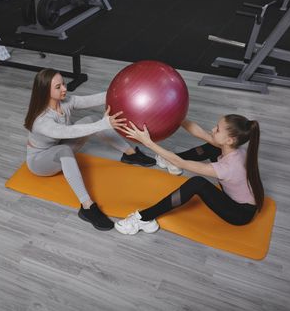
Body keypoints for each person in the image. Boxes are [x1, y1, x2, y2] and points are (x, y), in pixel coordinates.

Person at [24, 69, 156, 231]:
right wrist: (104, 124)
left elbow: (93, 99)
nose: (64, 88)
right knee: (66, 149)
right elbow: (68, 132)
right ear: (46, 91)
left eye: (63, 84)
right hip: (40, 162)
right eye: (58, 87)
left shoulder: (65, 102)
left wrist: (122, 91)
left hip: (58, 147)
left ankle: (131, 154)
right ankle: (87, 207)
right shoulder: (42, 120)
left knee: (91, 119)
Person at [114, 115, 264, 235]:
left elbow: (182, 164)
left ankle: (144, 218)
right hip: (240, 197)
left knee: (197, 183)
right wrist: (176, 115)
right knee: (212, 148)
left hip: (239, 213)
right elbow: (198, 132)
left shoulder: (228, 167)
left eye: (217, 130)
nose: (213, 129)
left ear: (229, 140)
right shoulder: (234, 149)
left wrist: (148, 142)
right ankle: (169, 162)